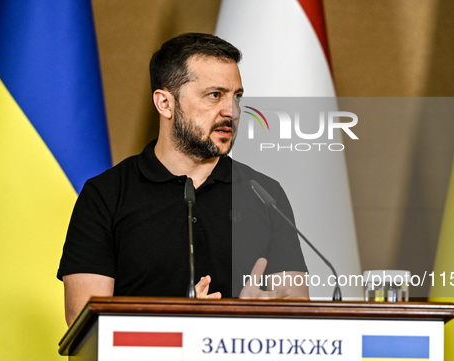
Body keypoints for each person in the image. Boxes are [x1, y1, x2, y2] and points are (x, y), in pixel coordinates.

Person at [57, 33, 308, 326]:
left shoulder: (265, 195)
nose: (232, 112)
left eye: (236, 96)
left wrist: (261, 311)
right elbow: (83, 320)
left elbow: (297, 307)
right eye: (214, 95)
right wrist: (178, 320)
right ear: (165, 103)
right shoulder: (106, 194)